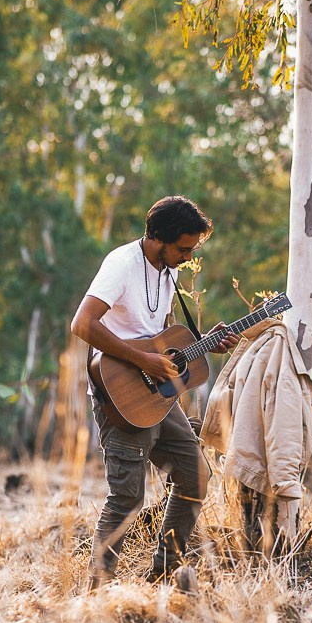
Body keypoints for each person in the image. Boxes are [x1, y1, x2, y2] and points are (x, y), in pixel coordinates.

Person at [71, 195, 239, 588]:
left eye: (192, 248)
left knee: (195, 476)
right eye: (183, 248)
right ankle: (96, 590)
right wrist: (142, 361)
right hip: (121, 394)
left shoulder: (169, 271)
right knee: (127, 499)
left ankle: (164, 576)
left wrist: (202, 342)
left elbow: (161, 335)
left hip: (159, 398)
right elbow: (82, 324)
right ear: (158, 237)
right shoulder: (121, 265)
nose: (188, 255)